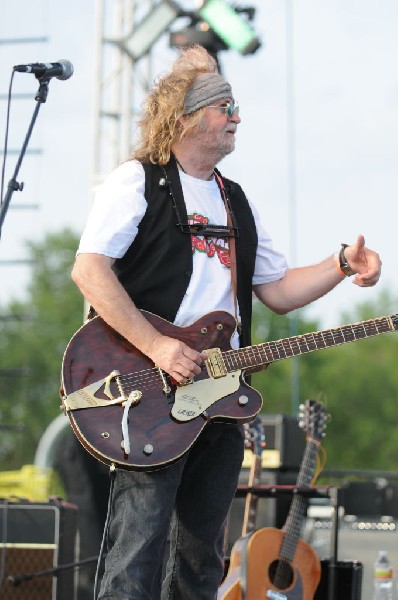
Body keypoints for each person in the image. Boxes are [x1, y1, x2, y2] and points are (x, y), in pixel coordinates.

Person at [71, 45, 381, 600]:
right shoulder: (136, 181)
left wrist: (339, 265)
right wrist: (160, 348)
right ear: (186, 117)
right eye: (225, 106)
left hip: (221, 396)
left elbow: (279, 292)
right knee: (134, 556)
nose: (237, 116)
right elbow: (90, 272)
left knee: (201, 561)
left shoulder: (235, 200)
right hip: (147, 398)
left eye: (235, 106)